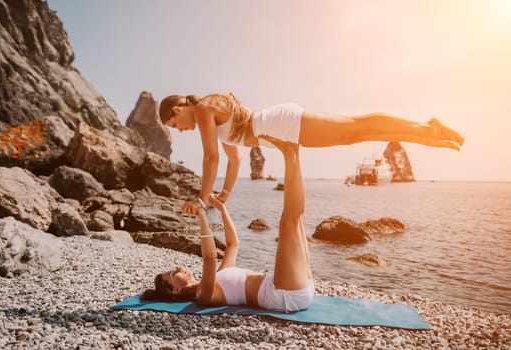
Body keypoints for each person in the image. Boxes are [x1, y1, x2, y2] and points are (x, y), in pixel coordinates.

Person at [158, 93, 464, 213]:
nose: (182, 130)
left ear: (177, 109)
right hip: (280, 129)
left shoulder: (203, 109)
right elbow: (232, 158)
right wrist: (223, 194)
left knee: (354, 128)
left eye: (175, 124)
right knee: (352, 135)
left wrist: (200, 199)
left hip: (280, 123)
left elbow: (210, 158)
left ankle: (425, 128)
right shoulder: (209, 115)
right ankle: (424, 132)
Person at [142, 137, 314, 313]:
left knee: (296, 218)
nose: (177, 268)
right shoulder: (203, 295)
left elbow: (233, 244)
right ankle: (289, 153)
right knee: (288, 221)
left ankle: (294, 151)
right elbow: (209, 258)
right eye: (172, 273)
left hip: (292, 287)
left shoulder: (218, 276)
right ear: (176, 290)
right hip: (283, 294)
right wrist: (201, 213)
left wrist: (223, 210)